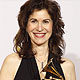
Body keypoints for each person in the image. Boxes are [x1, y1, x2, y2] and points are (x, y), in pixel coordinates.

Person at [0, 0, 76, 80]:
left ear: (53, 26)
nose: (39, 28)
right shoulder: (11, 62)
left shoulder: (67, 66)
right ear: (26, 25)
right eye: (34, 21)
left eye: (45, 22)